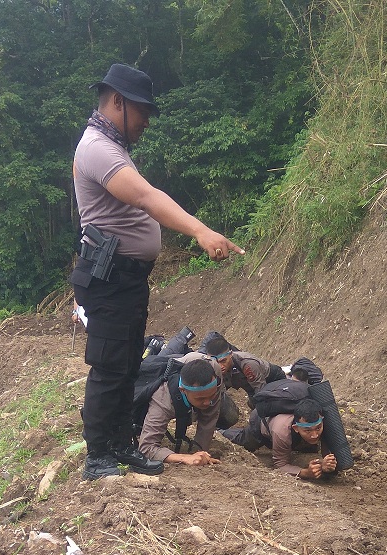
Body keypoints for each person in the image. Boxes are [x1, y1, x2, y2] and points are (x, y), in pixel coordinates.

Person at [70, 63, 244, 480]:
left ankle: (119, 445)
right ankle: (98, 457)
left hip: (125, 279)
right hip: (110, 279)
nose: (147, 121)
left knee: (128, 365)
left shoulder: (112, 146)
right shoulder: (97, 148)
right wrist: (200, 231)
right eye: (142, 111)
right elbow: (147, 197)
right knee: (110, 368)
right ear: (117, 102)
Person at [223, 398, 338, 481]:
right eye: (308, 430)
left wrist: (327, 464)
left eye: (318, 428)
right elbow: (280, 465)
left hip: (286, 428)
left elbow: (331, 459)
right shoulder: (281, 432)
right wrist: (306, 473)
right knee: (243, 441)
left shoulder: (326, 424)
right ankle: (220, 432)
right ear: (296, 428)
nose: (314, 435)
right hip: (260, 421)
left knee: (309, 448)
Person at [137, 357, 223, 467]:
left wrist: (201, 451)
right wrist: (185, 457)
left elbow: (210, 416)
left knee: (229, 415)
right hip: (153, 399)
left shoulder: (214, 369)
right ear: (183, 390)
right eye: (200, 398)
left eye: (211, 395)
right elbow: (146, 448)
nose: (208, 402)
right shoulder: (163, 402)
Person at [200, 332, 283, 398]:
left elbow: (261, 391)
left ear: (231, 354)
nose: (220, 366)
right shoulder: (211, 366)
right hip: (250, 386)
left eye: (223, 361)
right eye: (215, 362)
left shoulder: (247, 364)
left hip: (272, 380)